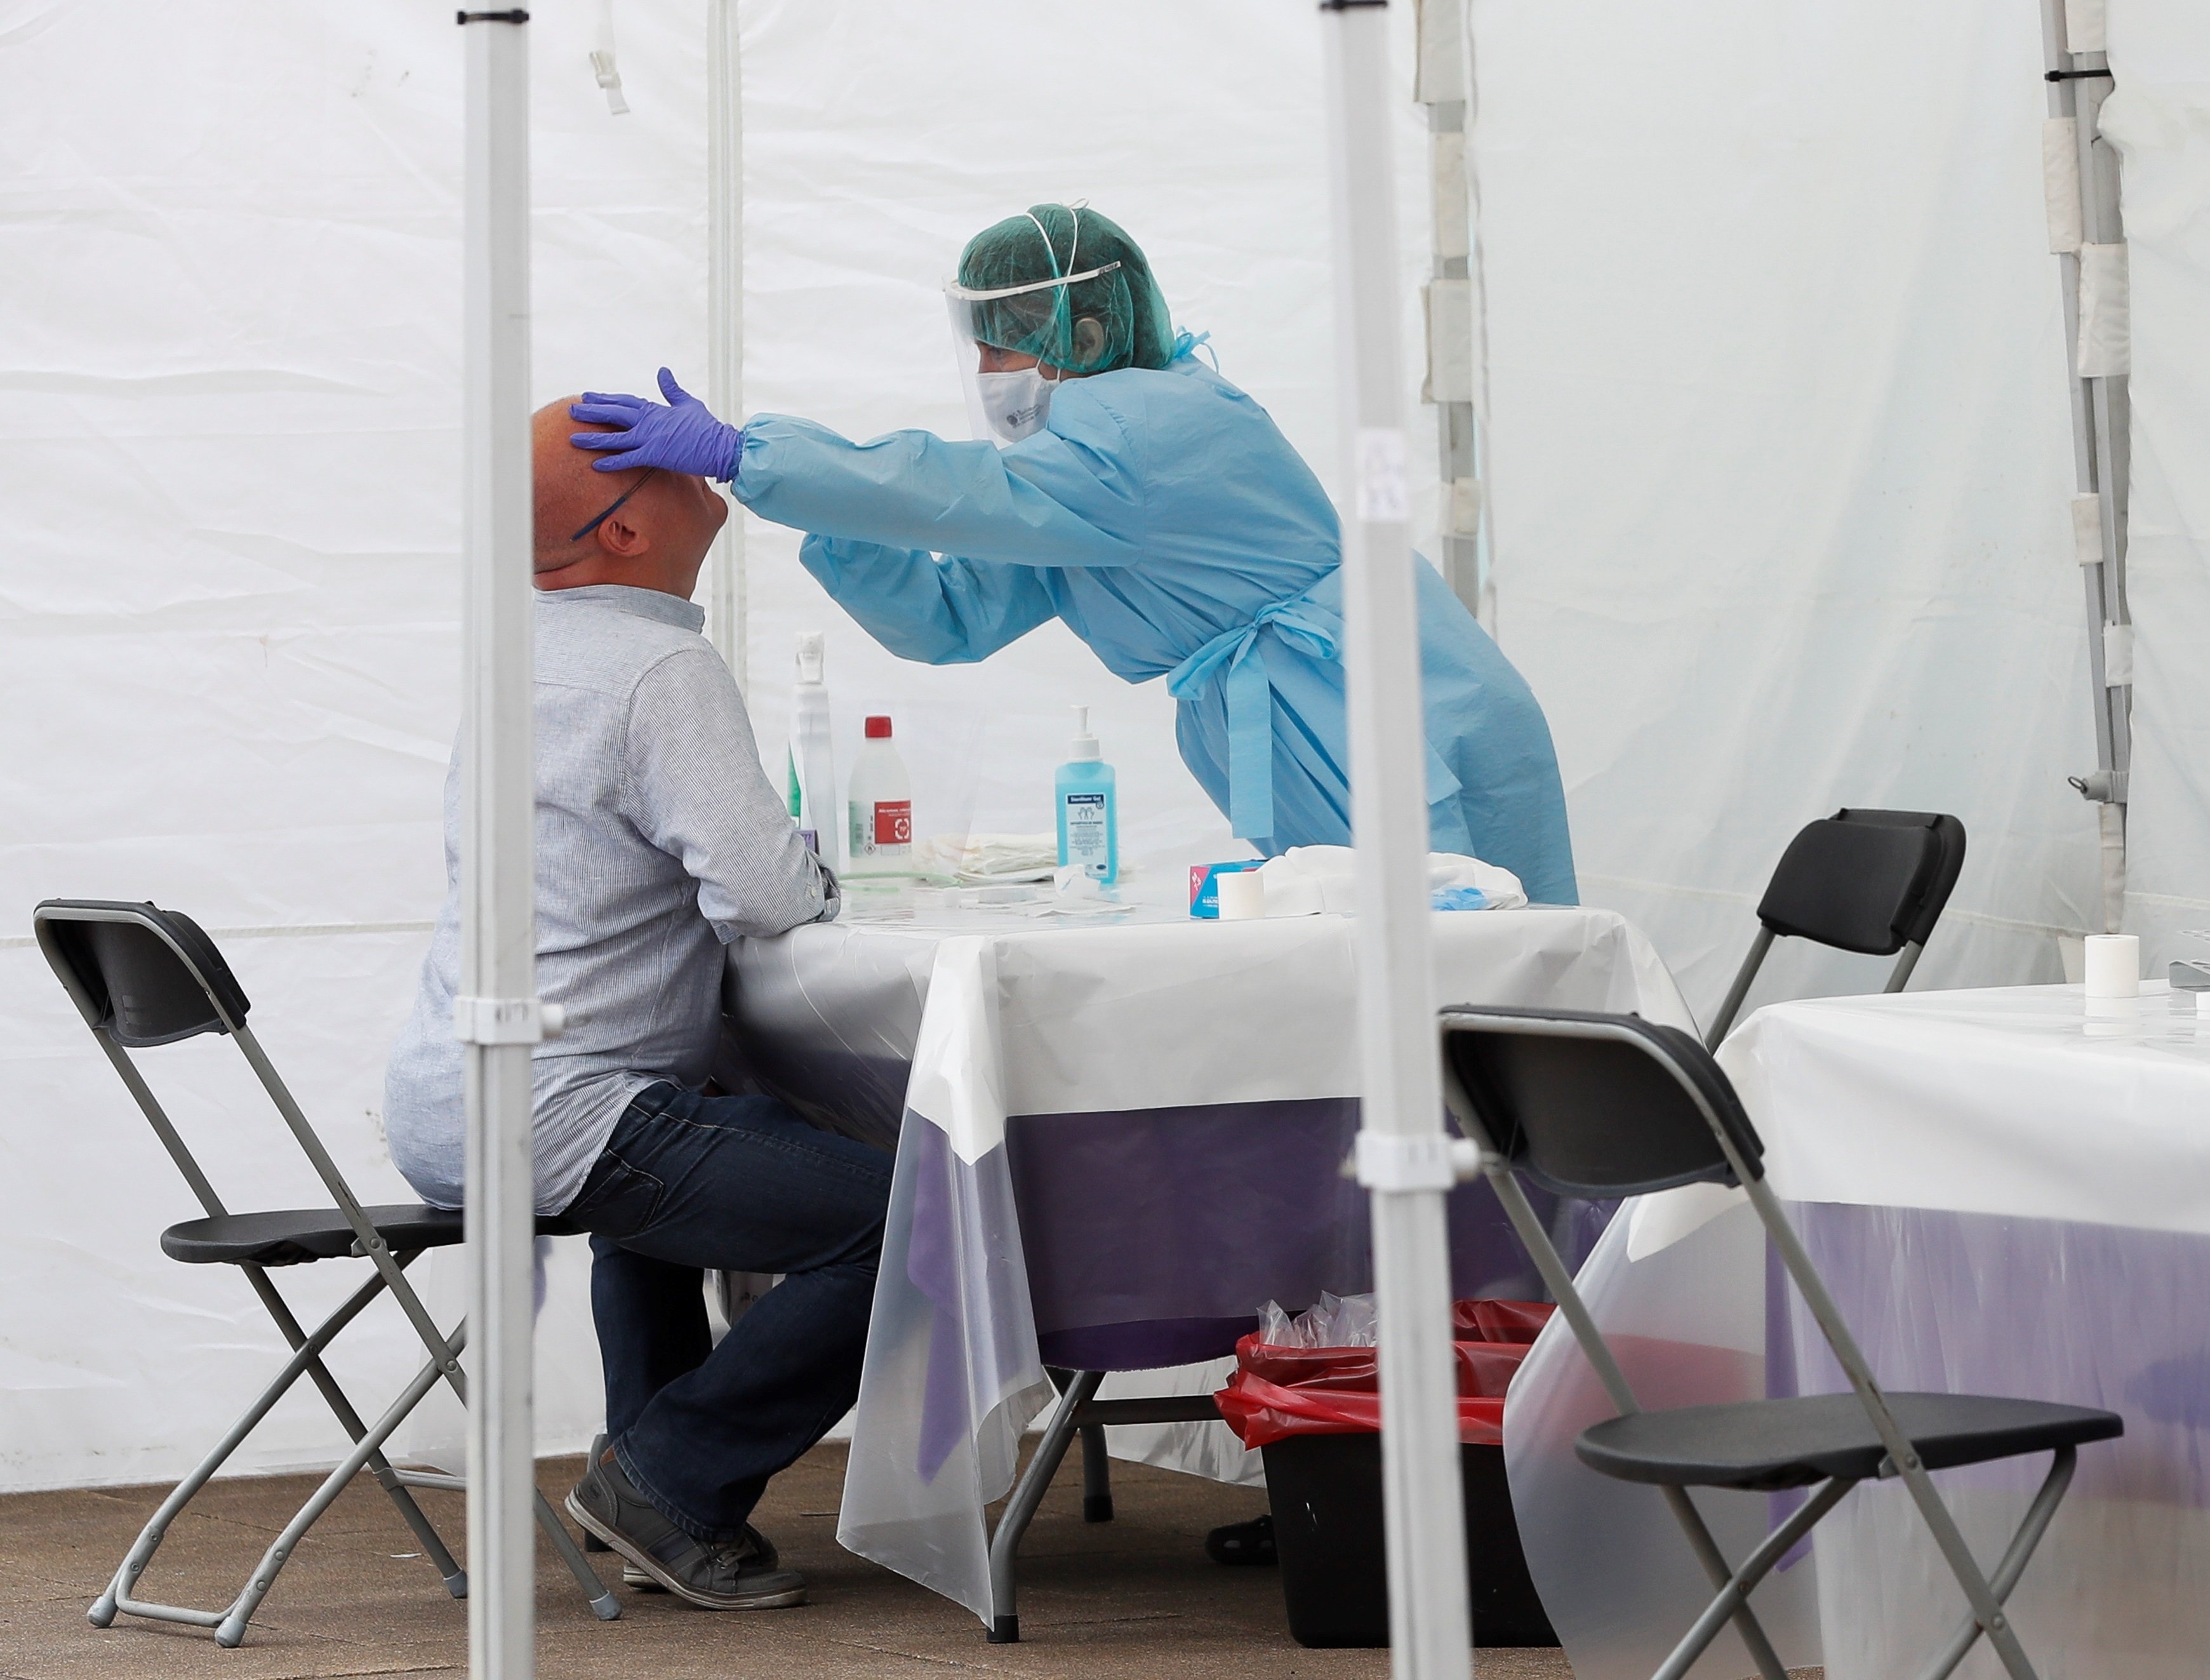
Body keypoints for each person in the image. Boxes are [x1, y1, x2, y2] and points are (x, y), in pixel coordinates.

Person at [567, 203, 1579, 902]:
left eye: (999, 343)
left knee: (1485, 987)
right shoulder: (1074, 484)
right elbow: (951, 619)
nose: (984, 372)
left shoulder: (1145, 426)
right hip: (1312, 718)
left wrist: (754, 454)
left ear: (1082, 330)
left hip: (1398, 707)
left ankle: (1545, 1213)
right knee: (1406, 990)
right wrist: (835, 515)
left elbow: (952, 489)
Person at [381, 401, 878, 1611]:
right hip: (562, 1108)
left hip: (453, 1097)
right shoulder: (658, 666)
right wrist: (818, 870)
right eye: (670, 463)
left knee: (680, 1148)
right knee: (909, 1226)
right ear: (618, 530)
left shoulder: (521, 658)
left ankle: (650, 1474)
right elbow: (765, 891)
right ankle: (665, 1479)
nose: (702, 463)